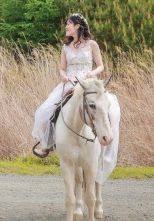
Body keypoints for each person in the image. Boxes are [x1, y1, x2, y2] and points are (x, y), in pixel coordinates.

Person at [31, 13, 107, 158]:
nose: (66, 26)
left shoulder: (92, 44)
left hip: (88, 82)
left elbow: (101, 66)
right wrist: (63, 75)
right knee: (45, 111)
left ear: (77, 26)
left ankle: (106, 140)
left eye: (68, 24)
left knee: (108, 109)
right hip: (70, 82)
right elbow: (62, 68)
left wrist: (92, 74)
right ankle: (48, 145)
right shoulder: (66, 47)